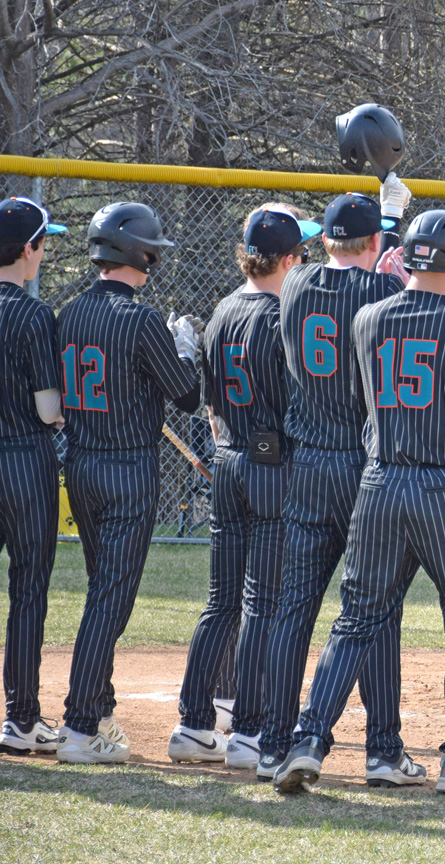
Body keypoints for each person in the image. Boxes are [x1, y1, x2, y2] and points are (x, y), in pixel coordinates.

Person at [272, 209, 445, 797]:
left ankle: (307, 741)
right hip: (442, 487)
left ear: (406, 255)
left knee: (355, 620)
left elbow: (364, 400)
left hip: (379, 483)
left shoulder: (368, 317)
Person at [256, 182, 422, 787]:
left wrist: (383, 225)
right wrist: (396, 223)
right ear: (374, 242)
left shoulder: (294, 284)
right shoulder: (382, 288)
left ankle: (274, 744)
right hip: (363, 462)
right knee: (373, 610)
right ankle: (382, 751)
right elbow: (398, 286)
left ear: (323, 239)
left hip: (307, 463)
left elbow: (345, 265)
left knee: (293, 608)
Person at [167, 204, 321, 768]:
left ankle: (193, 722)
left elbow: (209, 404)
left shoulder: (222, 309)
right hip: (267, 462)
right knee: (262, 603)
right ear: (287, 259)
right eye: (301, 253)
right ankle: (250, 728)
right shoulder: (283, 315)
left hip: (230, 457)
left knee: (221, 601)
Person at [55, 202, 202, 763]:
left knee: (101, 591)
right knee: (110, 599)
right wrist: (185, 349)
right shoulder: (141, 320)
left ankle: (100, 706)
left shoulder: (68, 312)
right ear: (137, 252)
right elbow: (186, 396)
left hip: (82, 463)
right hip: (127, 470)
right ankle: (79, 726)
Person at [0, 197, 67, 755]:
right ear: (28, 250)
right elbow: (49, 411)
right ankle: (20, 720)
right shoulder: (32, 313)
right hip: (23, 457)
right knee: (27, 591)